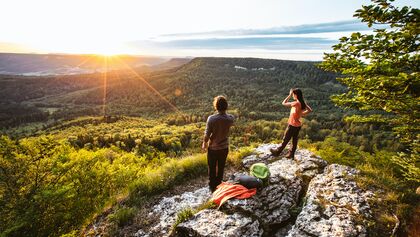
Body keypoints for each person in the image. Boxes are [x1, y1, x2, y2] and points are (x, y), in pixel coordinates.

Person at [202, 96, 234, 192]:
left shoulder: (211, 119)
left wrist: (204, 143)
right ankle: (219, 184)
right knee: (221, 167)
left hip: (213, 148)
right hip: (224, 148)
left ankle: (212, 187)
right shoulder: (230, 118)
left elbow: (207, 133)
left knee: (212, 167)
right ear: (226, 106)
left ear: (216, 106)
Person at [270, 88, 312, 158]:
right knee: (294, 139)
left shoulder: (296, 103)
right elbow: (310, 110)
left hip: (292, 125)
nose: (292, 96)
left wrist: (289, 95)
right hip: (298, 125)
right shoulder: (302, 103)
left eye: (293, 94)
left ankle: (277, 152)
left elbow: (283, 103)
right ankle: (291, 154)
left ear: (296, 95)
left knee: (286, 139)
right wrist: (301, 114)